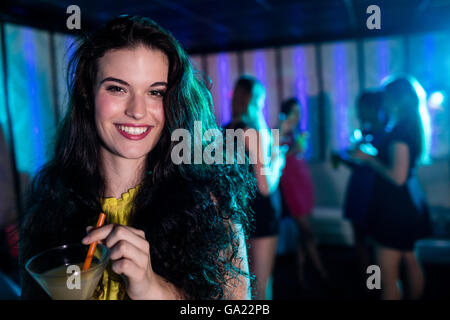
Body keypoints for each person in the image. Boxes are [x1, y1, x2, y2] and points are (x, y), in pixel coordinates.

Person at [19, 15, 255, 300]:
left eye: (155, 92)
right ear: (87, 95)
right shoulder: (47, 210)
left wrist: (151, 288)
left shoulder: (209, 205)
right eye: (117, 88)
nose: (137, 110)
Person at [351, 75, 433, 300]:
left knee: (387, 275)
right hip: (409, 202)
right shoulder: (410, 126)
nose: (383, 101)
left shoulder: (400, 132)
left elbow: (396, 176)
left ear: (396, 100)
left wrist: (369, 159)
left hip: (395, 208)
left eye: (386, 97)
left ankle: (370, 287)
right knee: (410, 260)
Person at [224, 75, 287, 299]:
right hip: (260, 214)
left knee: (240, 285)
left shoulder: (225, 130)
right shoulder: (250, 130)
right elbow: (265, 185)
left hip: (237, 214)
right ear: (253, 100)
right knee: (261, 287)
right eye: (261, 101)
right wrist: (279, 161)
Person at [331, 90, 387, 282]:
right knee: (361, 241)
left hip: (373, 193)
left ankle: (375, 284)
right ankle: (370, 284)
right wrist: (343, 158)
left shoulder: (385, 135)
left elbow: (379, 166)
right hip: (359, 189)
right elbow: (359, 163)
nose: (358, 113)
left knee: (373, 243)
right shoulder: (365, 133)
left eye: (361, 108)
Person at [278, 97, 328, 286]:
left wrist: (299, 147)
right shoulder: (280, 130)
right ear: (285, 113)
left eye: (299, 112)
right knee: (307, 231)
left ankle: (301, 273)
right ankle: (321, 271)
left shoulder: (298, 132)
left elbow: (300, 154)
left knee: (302, 232)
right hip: (290, 183)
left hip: (302, 180)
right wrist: (293, 149)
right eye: (294, 111)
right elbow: (275, 154)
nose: (297, 116)